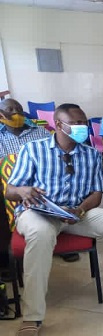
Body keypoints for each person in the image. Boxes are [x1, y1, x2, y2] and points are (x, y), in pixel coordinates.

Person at [5, 103, 103, 336]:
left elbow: (96, 194)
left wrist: (80, 209)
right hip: (39, 213)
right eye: (76, 123)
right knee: (40, 233)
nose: (83, 127)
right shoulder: (33, 149)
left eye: (83, 122)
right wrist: (23, 190)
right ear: (59, 125)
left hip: (74, 214)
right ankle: (32, 317)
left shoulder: (91, 154)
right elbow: (10, 191)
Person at [0, 99, 54, 266]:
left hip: (41, 181)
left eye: (19, 108)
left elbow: (53, 158)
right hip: (7, 184)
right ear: (1, 114)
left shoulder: (41, 132)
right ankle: (7, 256)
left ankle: (57, 241)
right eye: (10, 109)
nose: (16, 112)